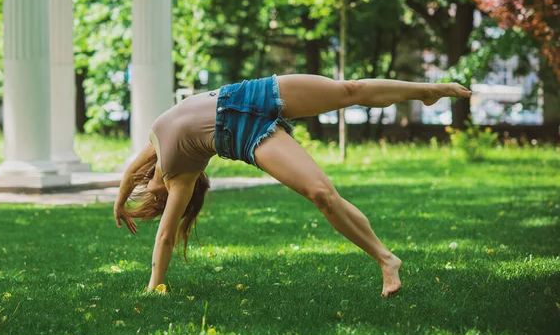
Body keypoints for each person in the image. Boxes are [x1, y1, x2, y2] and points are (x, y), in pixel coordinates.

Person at [114, 74, 471, 297]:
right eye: (154, 204)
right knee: (321, 195)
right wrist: (153, 287)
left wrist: (119, 203)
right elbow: (165, 238)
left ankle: (425, 90)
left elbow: (130, 174)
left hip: (250, 94)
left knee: (349, 89)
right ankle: (386, 259)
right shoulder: (182, 179)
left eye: (150, 199)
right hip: (245, 135)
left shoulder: (153, 144)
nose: (151, 197)